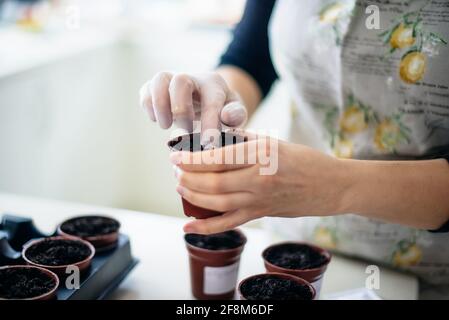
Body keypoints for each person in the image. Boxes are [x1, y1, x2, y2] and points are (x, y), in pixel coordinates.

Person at [139, 0, 449, 298]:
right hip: (294, 244)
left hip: (425, 270)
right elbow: (250, 58)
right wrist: (216, 100)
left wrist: (337, 186)